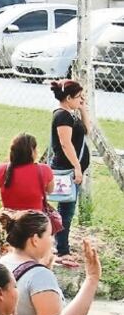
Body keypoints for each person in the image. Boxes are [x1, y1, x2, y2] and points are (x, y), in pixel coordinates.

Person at [49, 79, 91, 268]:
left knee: (67, 209)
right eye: (78, 97)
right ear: (67, 98)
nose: (81, 99)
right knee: (66, 210)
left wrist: (82, 108)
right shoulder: (62, 117)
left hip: (72, 169)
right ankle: (62, 249)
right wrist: (77, 166)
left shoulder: (71, 114)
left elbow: (87, 130)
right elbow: (65, 144)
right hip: (66, 169)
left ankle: (62, 246)